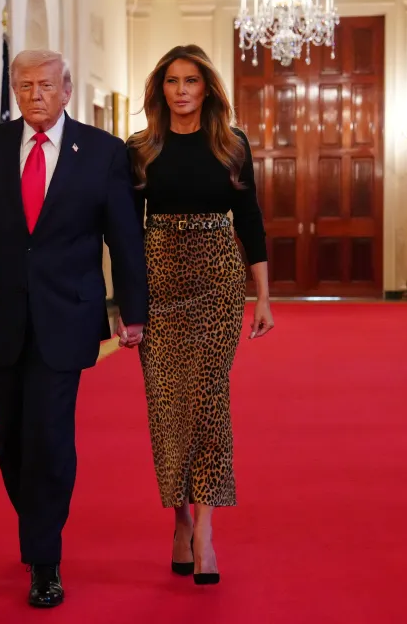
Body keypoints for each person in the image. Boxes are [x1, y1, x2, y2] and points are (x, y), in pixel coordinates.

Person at [0, 49, 148, 609]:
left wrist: (133, 312)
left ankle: (45, 559)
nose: (35, 95)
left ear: (67, 90)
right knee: (10, 436)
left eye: (46, 86)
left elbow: (123, 238)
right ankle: (38, 522)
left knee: (50, 436)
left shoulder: (102, 153)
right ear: (15, 91)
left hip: (67, 316)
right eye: (25, 86)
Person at [124, 44, 274, 585]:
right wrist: (126, 303)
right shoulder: (140, 149)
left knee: (209, 402)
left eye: (190, 81)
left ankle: (206, 531)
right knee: (168, 409)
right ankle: (180, 519)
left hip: (215, 279)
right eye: (172, 81)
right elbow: (123, 231)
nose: (181, 90)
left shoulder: (231, 145)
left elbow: (250, 219)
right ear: (160, 89)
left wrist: (262, 296)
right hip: (158, 279)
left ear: (206, 88)